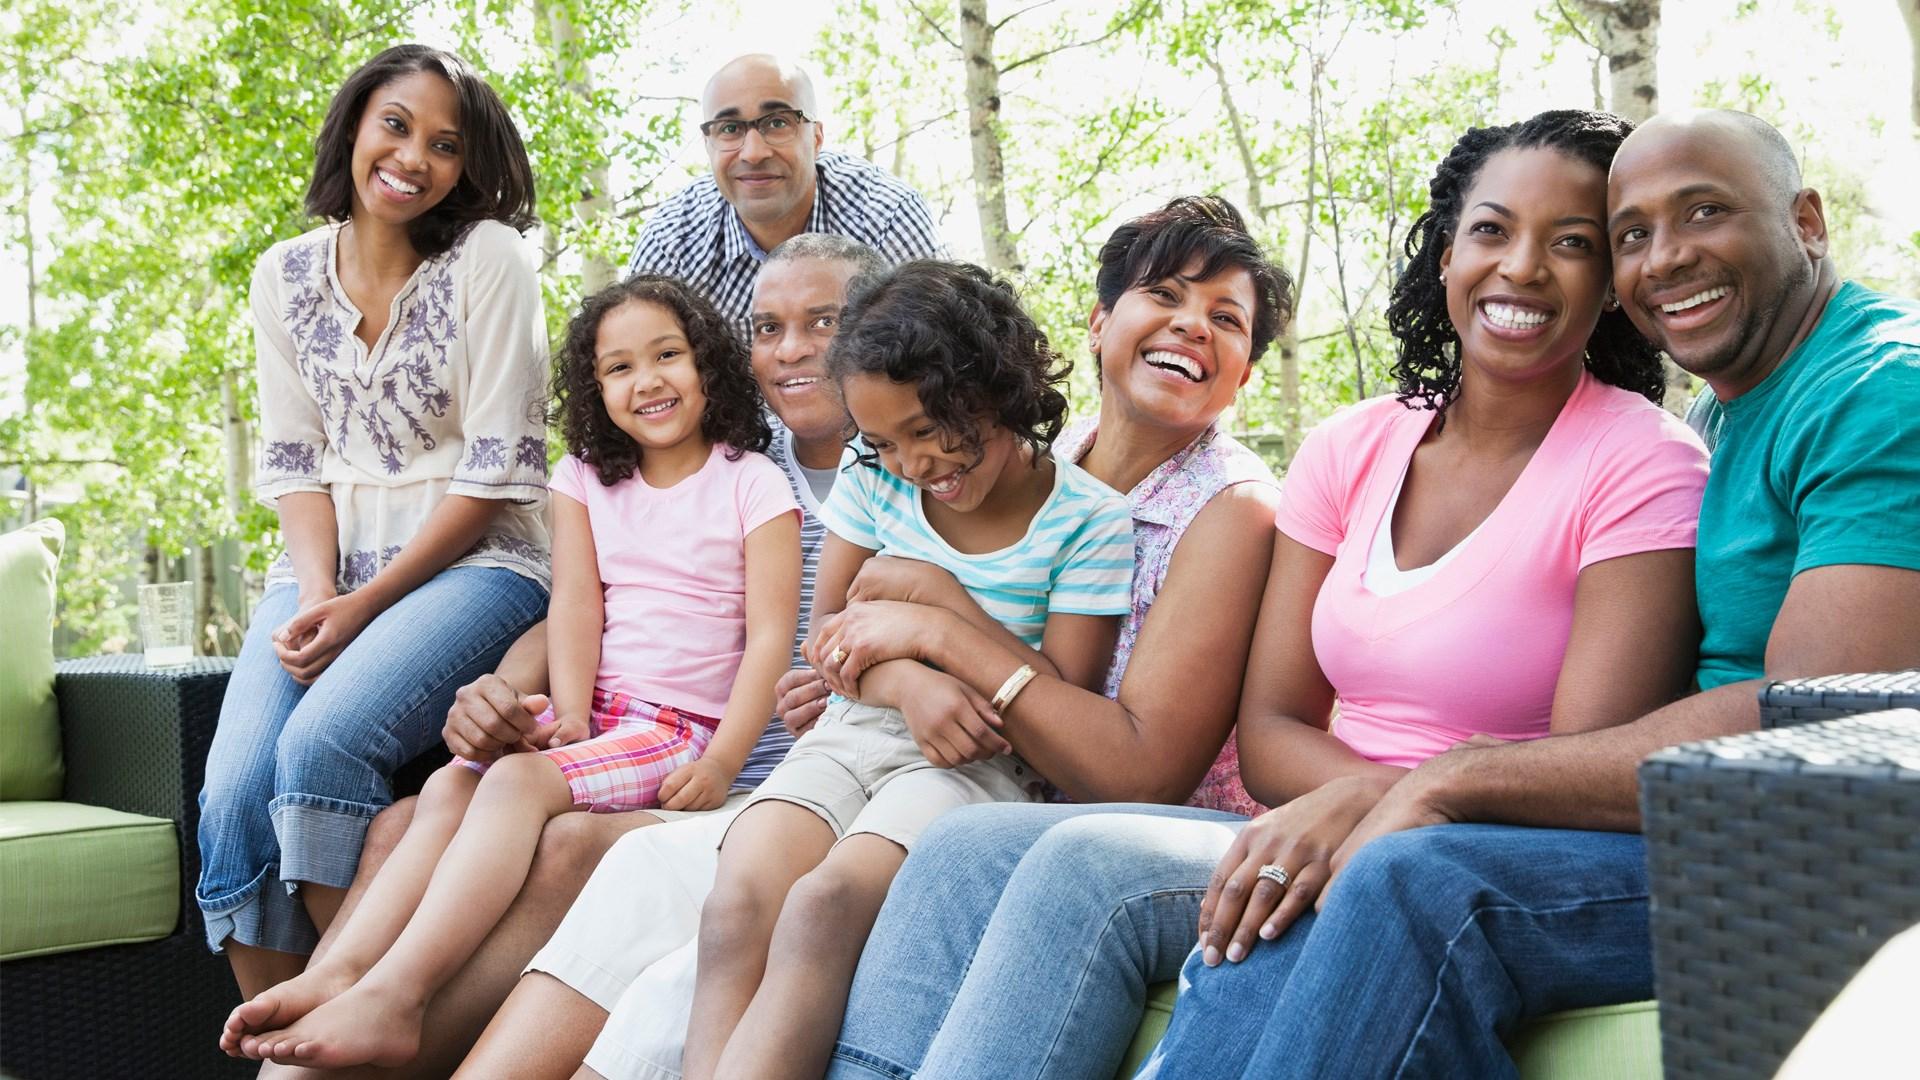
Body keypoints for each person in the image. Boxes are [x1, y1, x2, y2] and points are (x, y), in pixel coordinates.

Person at [827, 109, 1714, 1080]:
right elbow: (1274, 733)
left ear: (1613, 278)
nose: (1524, 267)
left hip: (1470, 847)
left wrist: (1399, 803)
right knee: (961, 851)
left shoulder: (1640, 461)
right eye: (1493, 231)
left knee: (1086, 871)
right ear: (1448, 251)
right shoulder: (1355, 447)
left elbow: (1577, 769)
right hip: (1301, 812)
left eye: (1574, 243)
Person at [1135, 110, 1920, 1078]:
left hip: (1803, 854)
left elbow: (1815, 727)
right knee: (1301, 883)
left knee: (1412, 877)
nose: (1666, 258)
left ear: (1806, 220)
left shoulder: (1884, 389)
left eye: (1704, 213)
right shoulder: (1739, 398)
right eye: (1635, 234)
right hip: (1708, 820)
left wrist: (1449, 779)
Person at [482, 195, 1291, 1080]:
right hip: (855, 746)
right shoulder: (993, 459)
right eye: (1164, 296)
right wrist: (891, 673)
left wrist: (932, 621)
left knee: (800, 905)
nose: (1192, 328)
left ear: (1248, 368)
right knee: (705, 886)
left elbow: (1114, 752)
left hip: (1007, 793)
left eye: (1227, 319)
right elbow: (831, 641)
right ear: (1099, 325)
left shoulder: (1215, 507)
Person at [244, 236, 884, 1080]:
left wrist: (726, 757)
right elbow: (578, 607)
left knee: (543, 821)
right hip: (612, 718)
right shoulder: (599, 476)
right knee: (434, 796)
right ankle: (339, 977)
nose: (648, 380)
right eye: (771, 327)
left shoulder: (835, 473)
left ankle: (391, 1005)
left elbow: (773, 638)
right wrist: (531, 699)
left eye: (824, 322)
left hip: (714, 753)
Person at [685, 260, 1137, 1080]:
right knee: (737, 899)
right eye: (885, 441)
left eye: (928, 429)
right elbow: (828, 637)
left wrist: (940, 605)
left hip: (984, 762)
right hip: (860, 722)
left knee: (823, 905)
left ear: (996, 385)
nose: (912, 462)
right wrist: (908, 680)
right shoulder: (872, 479)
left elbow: (1058, 703)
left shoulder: (1088, 521)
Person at [196, 43, 551, 1001]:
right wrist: (319, 593)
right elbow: (293, 461)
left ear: (468, 167)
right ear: (356, 125)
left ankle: (362, 1018)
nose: (413, 157)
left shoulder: (491, 257)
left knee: (321, 745)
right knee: (232, 792)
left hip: (483, 562)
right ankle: (279, 1049)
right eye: (396, 124)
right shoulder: (283, 274)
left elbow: (496, 469)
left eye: (445, 144)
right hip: (321, 572)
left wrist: (361, 607)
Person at [628, 53, 945, 329]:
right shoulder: (672, 242)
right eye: (729, 129)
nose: (753, 153)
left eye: (778, 123)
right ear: (708, 145)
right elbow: (639, 371)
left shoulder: (884, 214)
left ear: (817, 138)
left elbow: (948, 359)